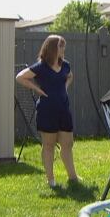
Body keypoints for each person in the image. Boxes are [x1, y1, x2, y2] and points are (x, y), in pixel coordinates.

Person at [16, 35, 79, 188]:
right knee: (49, 145)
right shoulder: (41, 67)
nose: (63, 49)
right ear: (52, 48)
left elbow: (69, 76)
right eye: (61, 46)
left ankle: (73, 178)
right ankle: (51, 180)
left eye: (64, 46)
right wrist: (37, 89)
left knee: (67, 144)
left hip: (64, 110)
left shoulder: (65, 65)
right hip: (47, 111)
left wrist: (65, 86)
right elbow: (20, 77)